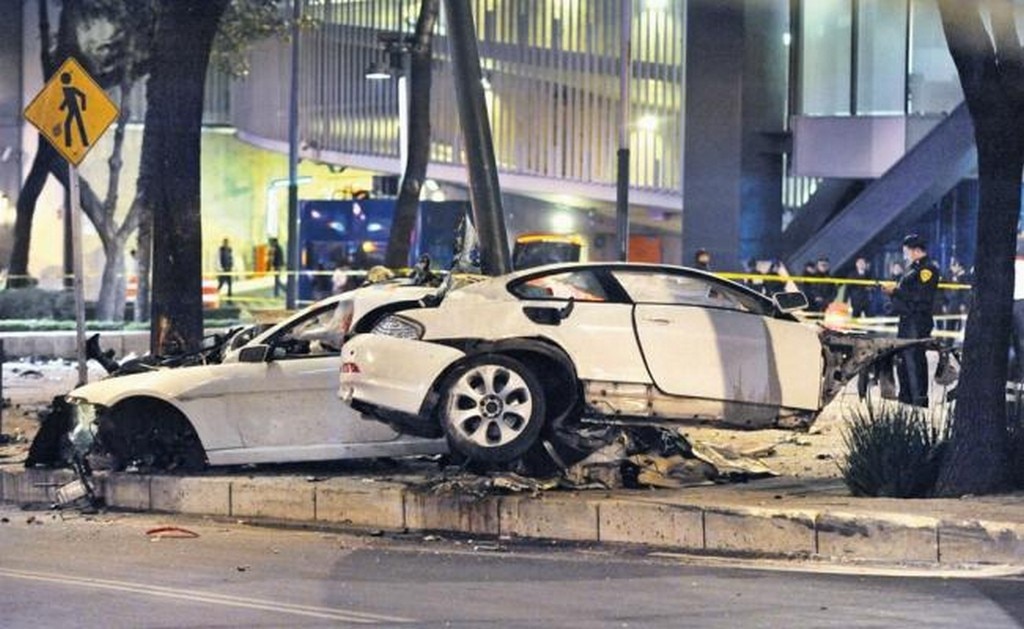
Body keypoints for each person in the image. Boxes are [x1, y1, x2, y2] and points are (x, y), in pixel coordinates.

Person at [882, 234, 940, 408]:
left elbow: (920, 297)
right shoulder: (912, 269)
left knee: (914, 358)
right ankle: (905, 396)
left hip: (918, 320)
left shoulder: (927, 269)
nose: (905, 254)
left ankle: (919, 399)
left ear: (916, 250)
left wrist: (895, 292)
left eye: (906, 251)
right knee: (902, 359)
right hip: (906, 319)